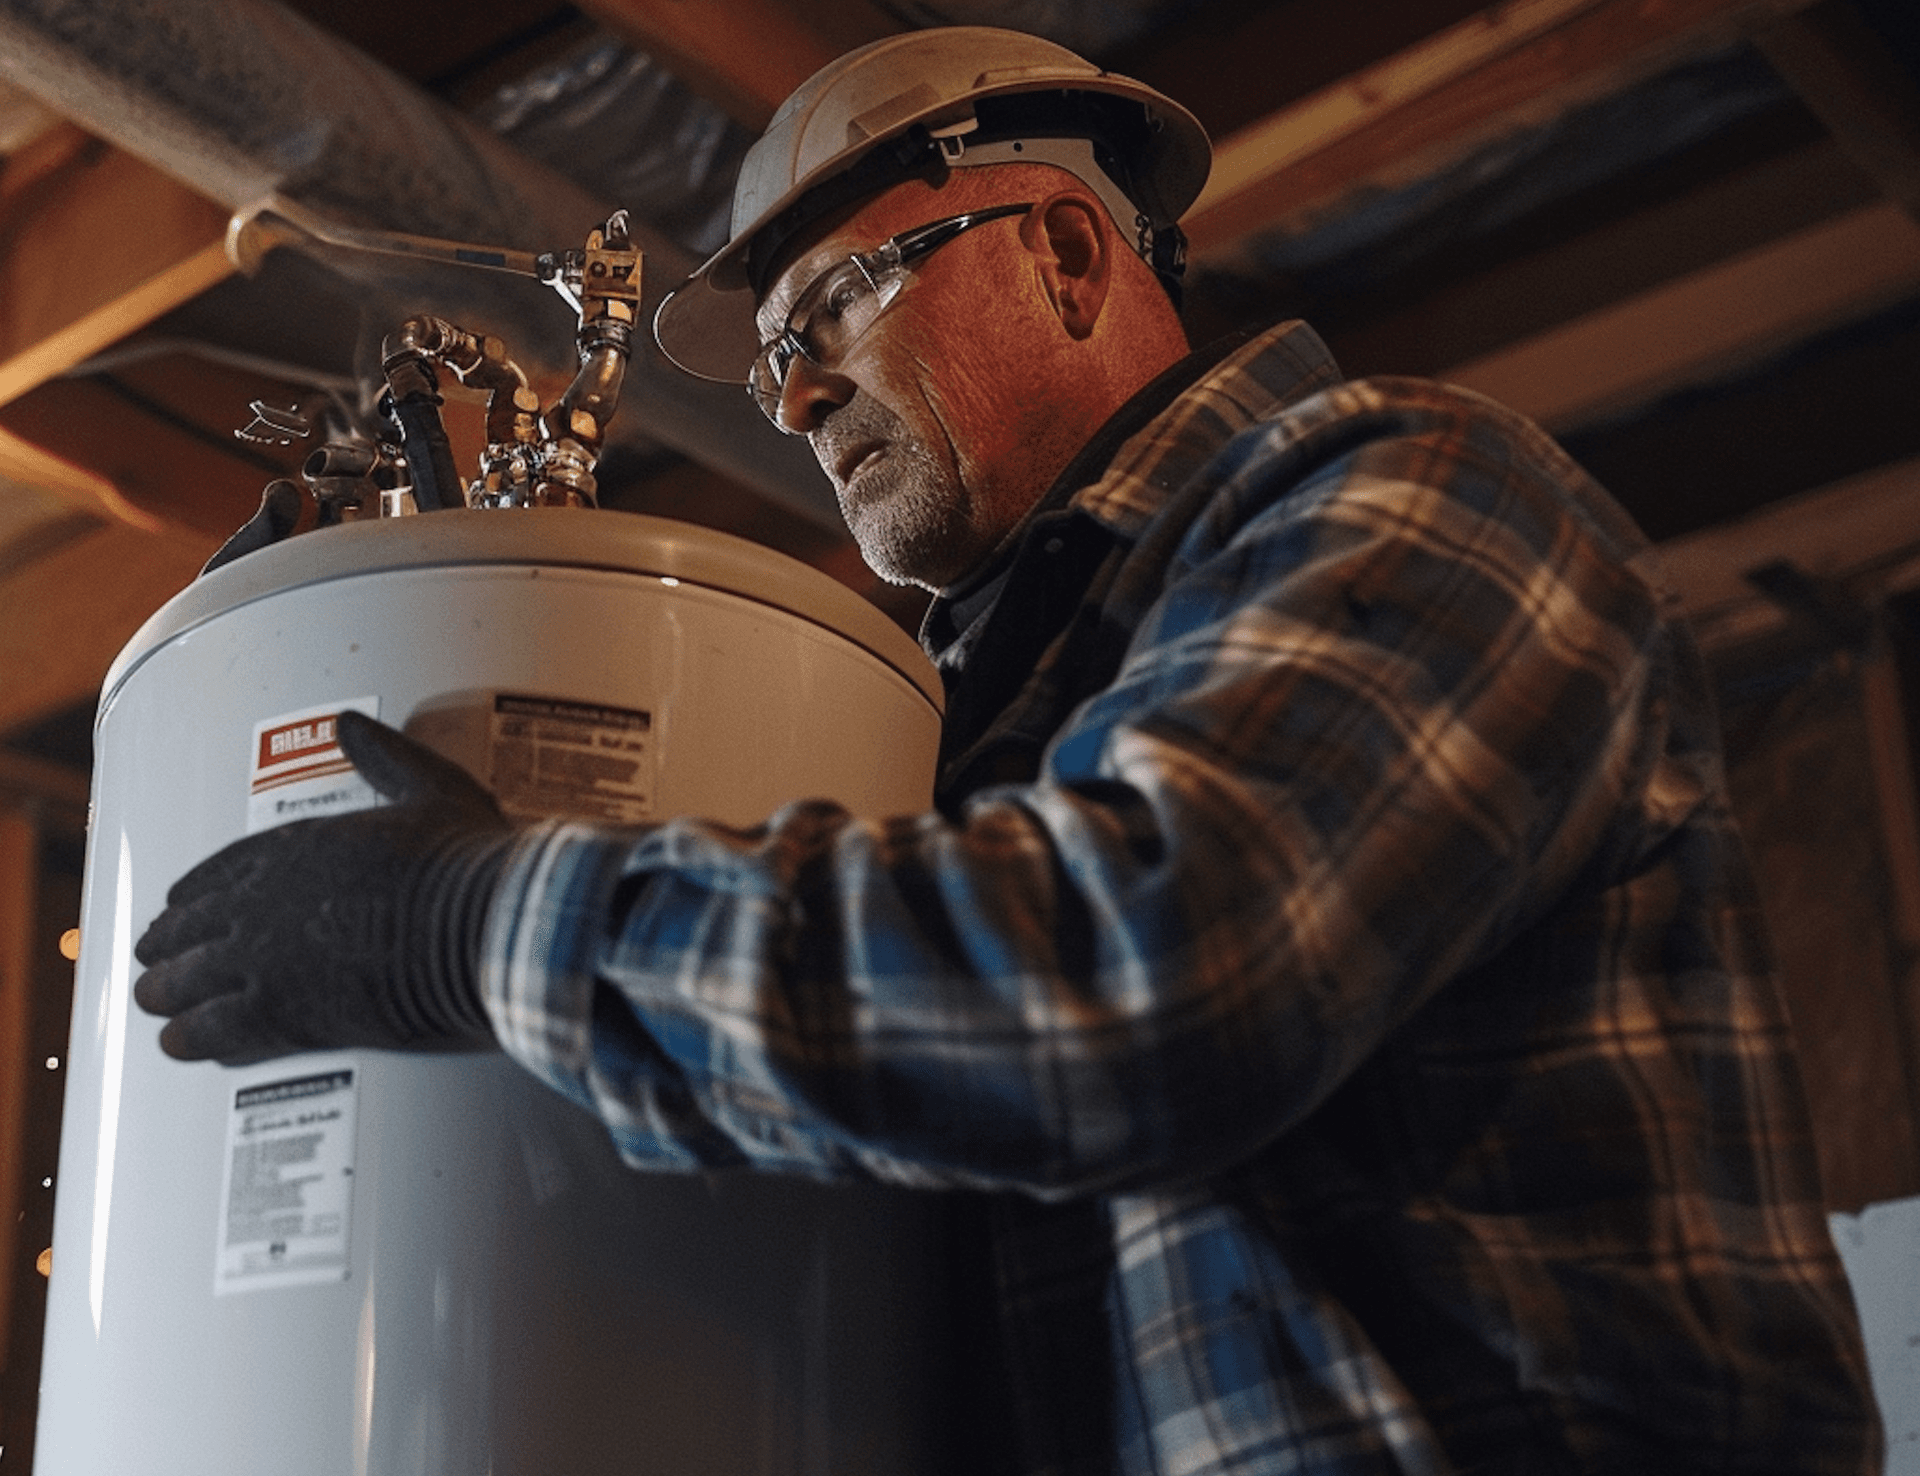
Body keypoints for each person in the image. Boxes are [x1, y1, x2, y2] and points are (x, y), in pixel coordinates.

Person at [134, 26, 1881, 1476]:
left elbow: (1155, 975)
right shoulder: (963, 745)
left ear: (1058, 250)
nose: (797, 399)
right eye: (771, 370)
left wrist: (467, 926)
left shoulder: (1411, 494)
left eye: (826, 312)